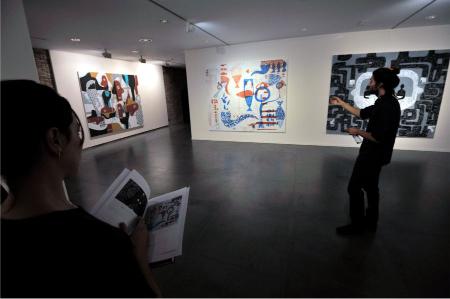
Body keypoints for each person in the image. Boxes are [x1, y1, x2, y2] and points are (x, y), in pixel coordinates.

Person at [1, 80, 161, 297]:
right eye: (77, 132)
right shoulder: (100, 244)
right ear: (55, 140)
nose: (79, 142)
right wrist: (138, 259)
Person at [330, 67, 401, 235]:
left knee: (354, 188)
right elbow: (361, 113)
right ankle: (371, 220)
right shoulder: (386, 101)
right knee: (370, 186)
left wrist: (357, 131)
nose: (369, 83)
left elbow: (377, 137)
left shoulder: (386, 106)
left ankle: (357, 225)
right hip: (379, 155)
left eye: (372, 80)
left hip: (372, 155)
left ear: (380, 83)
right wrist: (342, 103)